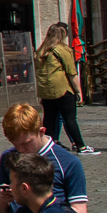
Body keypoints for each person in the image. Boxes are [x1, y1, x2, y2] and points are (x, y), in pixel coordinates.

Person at [0, 104, 87, 213]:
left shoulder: (68, 162)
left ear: (41, 131)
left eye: (26, 143)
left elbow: (80, 212)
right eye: (15, 144)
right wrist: (3, 199)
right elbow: (3, 211)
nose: (21, 150)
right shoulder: (9, 158)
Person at [35, 21, 91, 153]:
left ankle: (48, 145)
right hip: (62, 89)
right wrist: (79, 92)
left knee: (49, 118)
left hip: (46, 90)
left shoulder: (41, 50)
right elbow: (72, 73)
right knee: (70, 118)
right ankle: (81, 146)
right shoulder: (62, 49)